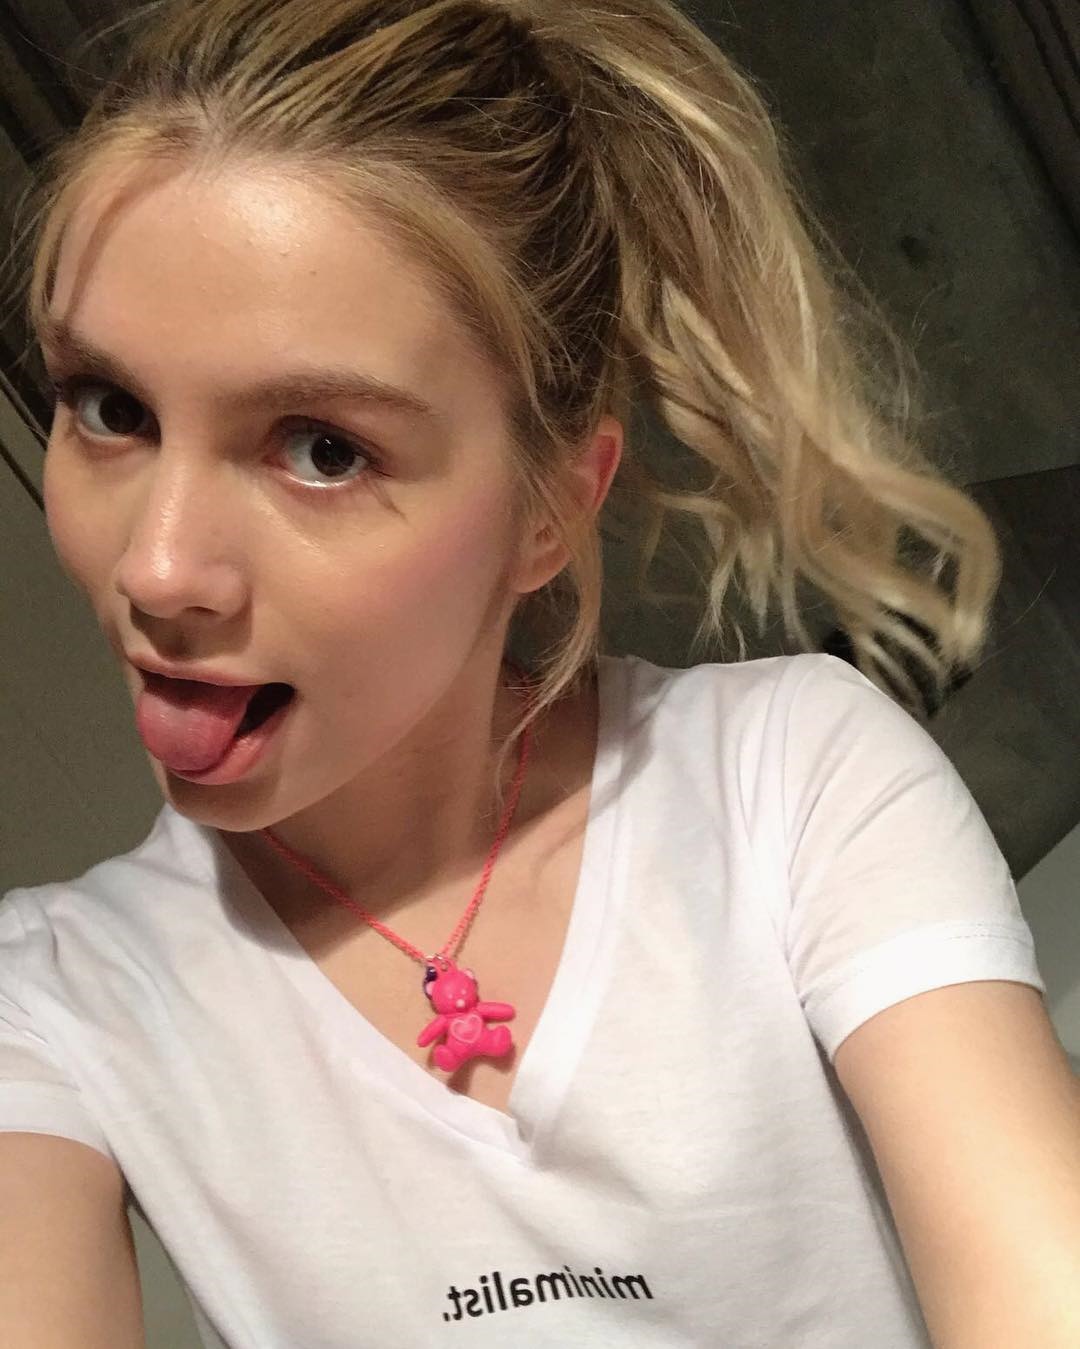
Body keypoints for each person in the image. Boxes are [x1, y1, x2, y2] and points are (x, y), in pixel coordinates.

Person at [1, 2, 1075, 1347]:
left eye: (322, 448)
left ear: (549, 511)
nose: (158, 568)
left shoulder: (789, 784)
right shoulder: (57, 1000)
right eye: (110, 410)